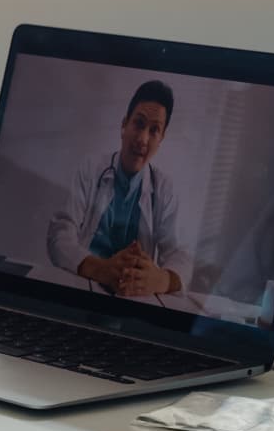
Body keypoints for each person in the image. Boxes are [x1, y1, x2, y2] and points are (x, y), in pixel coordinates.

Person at [43, 81, 187, 298]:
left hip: (131, 299)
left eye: (154, 130)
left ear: (161, 139)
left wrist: (160, 279)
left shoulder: (164, 189)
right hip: (84, 286)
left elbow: (179, 254)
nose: (142, 139)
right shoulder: (90, 169)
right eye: (138, 124)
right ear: (124, 125)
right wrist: (101, 269)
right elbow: (60, 234)